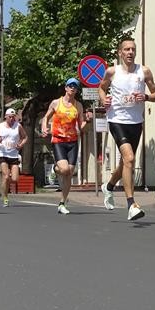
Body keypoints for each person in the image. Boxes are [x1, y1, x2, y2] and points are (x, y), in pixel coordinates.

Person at [98, 37, 155, 221]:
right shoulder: (112, 72)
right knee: (130, 159)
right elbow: (101, 88)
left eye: (133, 49)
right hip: (117, 120)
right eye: (126, 49)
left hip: (136, 122)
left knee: (126, 163)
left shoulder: (144, 71)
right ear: (120, 53)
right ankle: (131, 204)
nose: (130, 52)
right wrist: (104, 99)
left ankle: (108, 186)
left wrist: (146, 97)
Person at [41, 77, 92, 215]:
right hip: (58, 140)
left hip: (73, 141)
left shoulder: (78, 106)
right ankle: (56, 168)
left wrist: (88, 121)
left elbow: (81, 127)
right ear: (66, 88)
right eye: (70, 86)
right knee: (63, 169)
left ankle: (62, 203)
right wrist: (44, 127)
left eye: (75, 87)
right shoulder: (56, 103)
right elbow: (46, 117)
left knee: (69, 172)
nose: (73, 88)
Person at [0, 108, 27, 207]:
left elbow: (25, 137)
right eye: (10, 117)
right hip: (3, 154)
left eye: (13, 117)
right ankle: (5, 198)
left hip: (14, 154)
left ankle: (4, 185)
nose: (12, 119)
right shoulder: (0, 126)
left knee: (15, 179)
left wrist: (21, 144)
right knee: (6, 175)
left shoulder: (18, 126)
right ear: (6, 117)